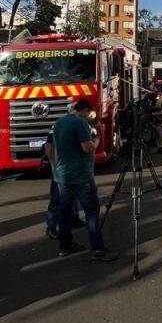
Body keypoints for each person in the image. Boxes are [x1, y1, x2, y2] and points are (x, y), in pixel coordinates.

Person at [45, 100, 117, 262]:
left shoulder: (59, 123)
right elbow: (86, 147)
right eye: (88, 113)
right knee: (91, 212)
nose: (88, 116)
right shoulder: (80, 123)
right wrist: (97, 142)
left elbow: (49, 147)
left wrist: (54, 166)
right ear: (84, 110)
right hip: (81, 175)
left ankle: (65, 246)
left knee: (65, 212)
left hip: (62, 175)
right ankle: (98, 248)